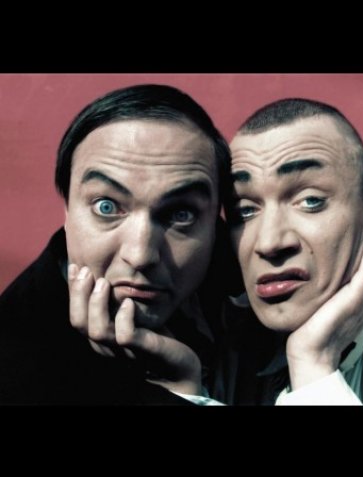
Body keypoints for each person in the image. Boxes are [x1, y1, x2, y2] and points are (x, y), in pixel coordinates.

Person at [0, 84, 235, 405]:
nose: (140, 255)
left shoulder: (257, 289)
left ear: (215, 221)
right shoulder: (14, 368)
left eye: (181, 214)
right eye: (106, 206)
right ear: (68, 211)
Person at [217, 97, 363, 405]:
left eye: (310, 201)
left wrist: (313, 367)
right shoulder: (218, 336)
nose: (269, 243)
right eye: (244, 210)